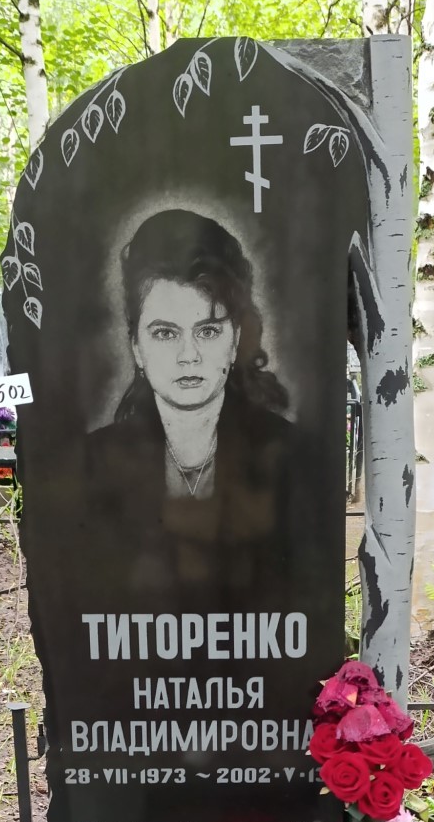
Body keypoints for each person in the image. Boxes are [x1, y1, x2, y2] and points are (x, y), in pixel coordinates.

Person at [84, 208, 297, 601]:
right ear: (137, 348)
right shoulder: (90, 465)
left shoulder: (293, 457)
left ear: (235, 341)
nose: (189, 356)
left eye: (208, 330)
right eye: (165, 333)